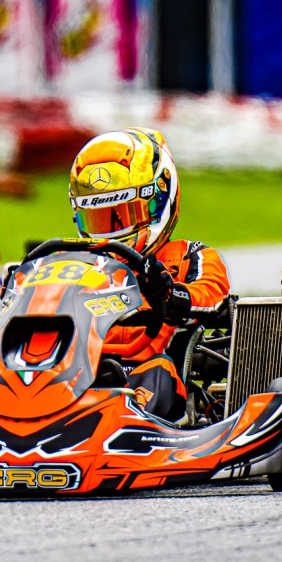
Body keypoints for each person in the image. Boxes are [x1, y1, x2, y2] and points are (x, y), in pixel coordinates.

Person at [68, 127, 230, 422]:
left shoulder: (189, 256)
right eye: (100, 219)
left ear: (157, 201)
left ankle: (127, 428)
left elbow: (213, 296)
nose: (111, 231)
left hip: (147, 373)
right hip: (77, 373)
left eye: (122, 215)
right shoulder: (76, 266)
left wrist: (171, 294)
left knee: (158, 373)